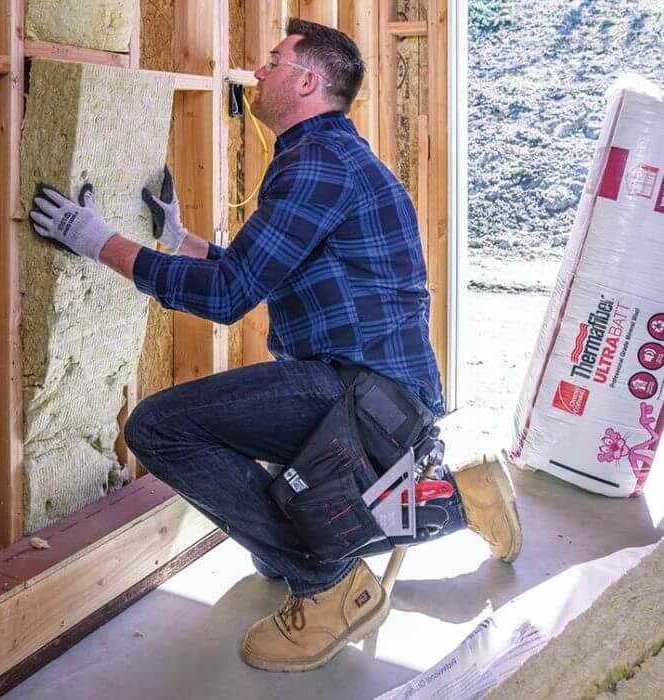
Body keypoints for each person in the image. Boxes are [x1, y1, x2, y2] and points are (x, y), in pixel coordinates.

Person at [29, 19, 521, 673]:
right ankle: (465, 496)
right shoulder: (330, 158)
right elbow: (260, 269)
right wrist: (180, 241)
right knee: (278, 547)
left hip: (362, 398)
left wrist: (96, 240)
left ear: (309, 82)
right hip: (386, 402)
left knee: (160, 427)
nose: (258, 71)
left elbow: (230, 296)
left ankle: (329, 590)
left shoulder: (316, 165)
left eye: (274, 61)